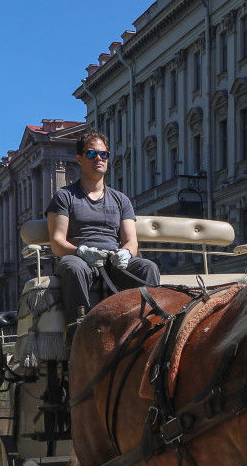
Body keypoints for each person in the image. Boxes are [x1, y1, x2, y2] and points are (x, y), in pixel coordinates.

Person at [45, 132, 160, 323]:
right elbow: (57, 242)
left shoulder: (121, 200)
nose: (98, 158)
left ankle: (149, 326)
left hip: (113, 261)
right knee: (73, 267)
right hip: (80, 260)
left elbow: (131, 241)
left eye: (103, 154)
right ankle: (78, 329)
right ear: (79, 159)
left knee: (148, 267)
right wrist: (80, 252)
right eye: (91, 154)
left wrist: (125, 254)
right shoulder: (64, 196)